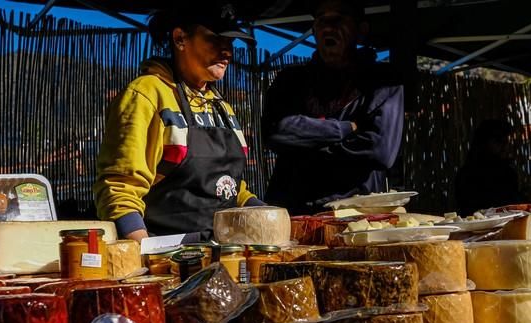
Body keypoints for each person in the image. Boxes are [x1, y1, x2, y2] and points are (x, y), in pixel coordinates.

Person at [94, 4, 262, 242]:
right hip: (170, 256)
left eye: (231, 43)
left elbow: (229, 187)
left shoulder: (221, 106)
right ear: (180, 38)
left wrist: (263, 210)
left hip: (224, 250)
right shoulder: (146, 95)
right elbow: (119, 187)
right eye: (216, 40)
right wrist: (145, 250)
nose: (227, 52)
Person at [262, 0, 404, 216]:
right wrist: (347, 129)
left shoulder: (383, 82)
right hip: (294, 213)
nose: (328, 27)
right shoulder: (289, 81)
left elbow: (381, 149)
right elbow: (277, 132)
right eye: (321, 20)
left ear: (361, 30)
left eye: (339, 19)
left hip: (356, 214)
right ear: (313, 30)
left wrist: (304, 145)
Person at [455, 119, 527, 216]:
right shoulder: (468, 175)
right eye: (499, 141)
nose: (505, 147)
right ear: (483, 143)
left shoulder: (508, 173)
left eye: (506, 142)